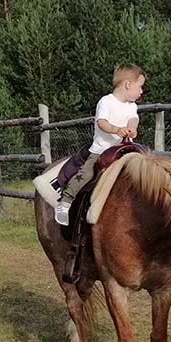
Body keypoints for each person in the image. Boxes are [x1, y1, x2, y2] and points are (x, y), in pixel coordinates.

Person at [53, 63, 145, 225]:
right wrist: (117, 129)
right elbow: (102, 122)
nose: (141, 91)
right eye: (140, 87)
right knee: (86, 173)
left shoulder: (132, 106)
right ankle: (65, 202)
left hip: (125, 150)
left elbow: (133, 119)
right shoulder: (106, 101)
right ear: (128, 84)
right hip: (102, 150)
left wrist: (132, 128)